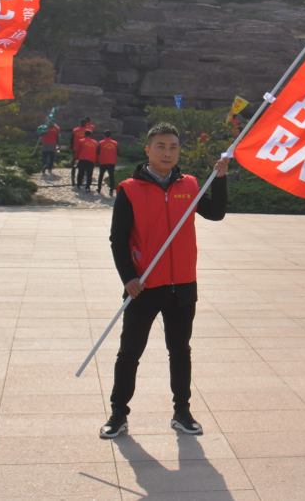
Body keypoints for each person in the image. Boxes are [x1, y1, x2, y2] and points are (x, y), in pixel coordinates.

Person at [102, 123, 229, 439]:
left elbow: (216, 213)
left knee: (180, 350)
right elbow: (118, 238)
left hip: (182, 285)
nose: (167, 152)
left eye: (173, 147)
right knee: (130, 352)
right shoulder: (130, 189)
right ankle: (118, 414)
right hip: (144, 286)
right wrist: (129, 277)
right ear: (148, 150)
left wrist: (220, 179)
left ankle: (182, 412)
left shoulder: (190, 185)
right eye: (160, 146)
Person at [95, 130, 120, 196]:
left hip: (103, 161)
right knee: (111, 176)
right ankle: (111, 190)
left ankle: (99, 188)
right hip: (112, 162)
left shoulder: (100, 143)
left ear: (104, 135)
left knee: (101, 175)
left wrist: (96, 161)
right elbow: (118, 152)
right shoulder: (115, 143)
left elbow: (97, 152)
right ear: (111, 136)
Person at [70, 117, 92, 183]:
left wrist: (72, 148)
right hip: (84, 150)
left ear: (80, 124)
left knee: (74, 163)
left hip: (75, 149)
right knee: (82, 165)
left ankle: (73, 174)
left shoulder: (75, 130)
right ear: (86, 124)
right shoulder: (88, 131)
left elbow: (71, 140)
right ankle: (81, 178)